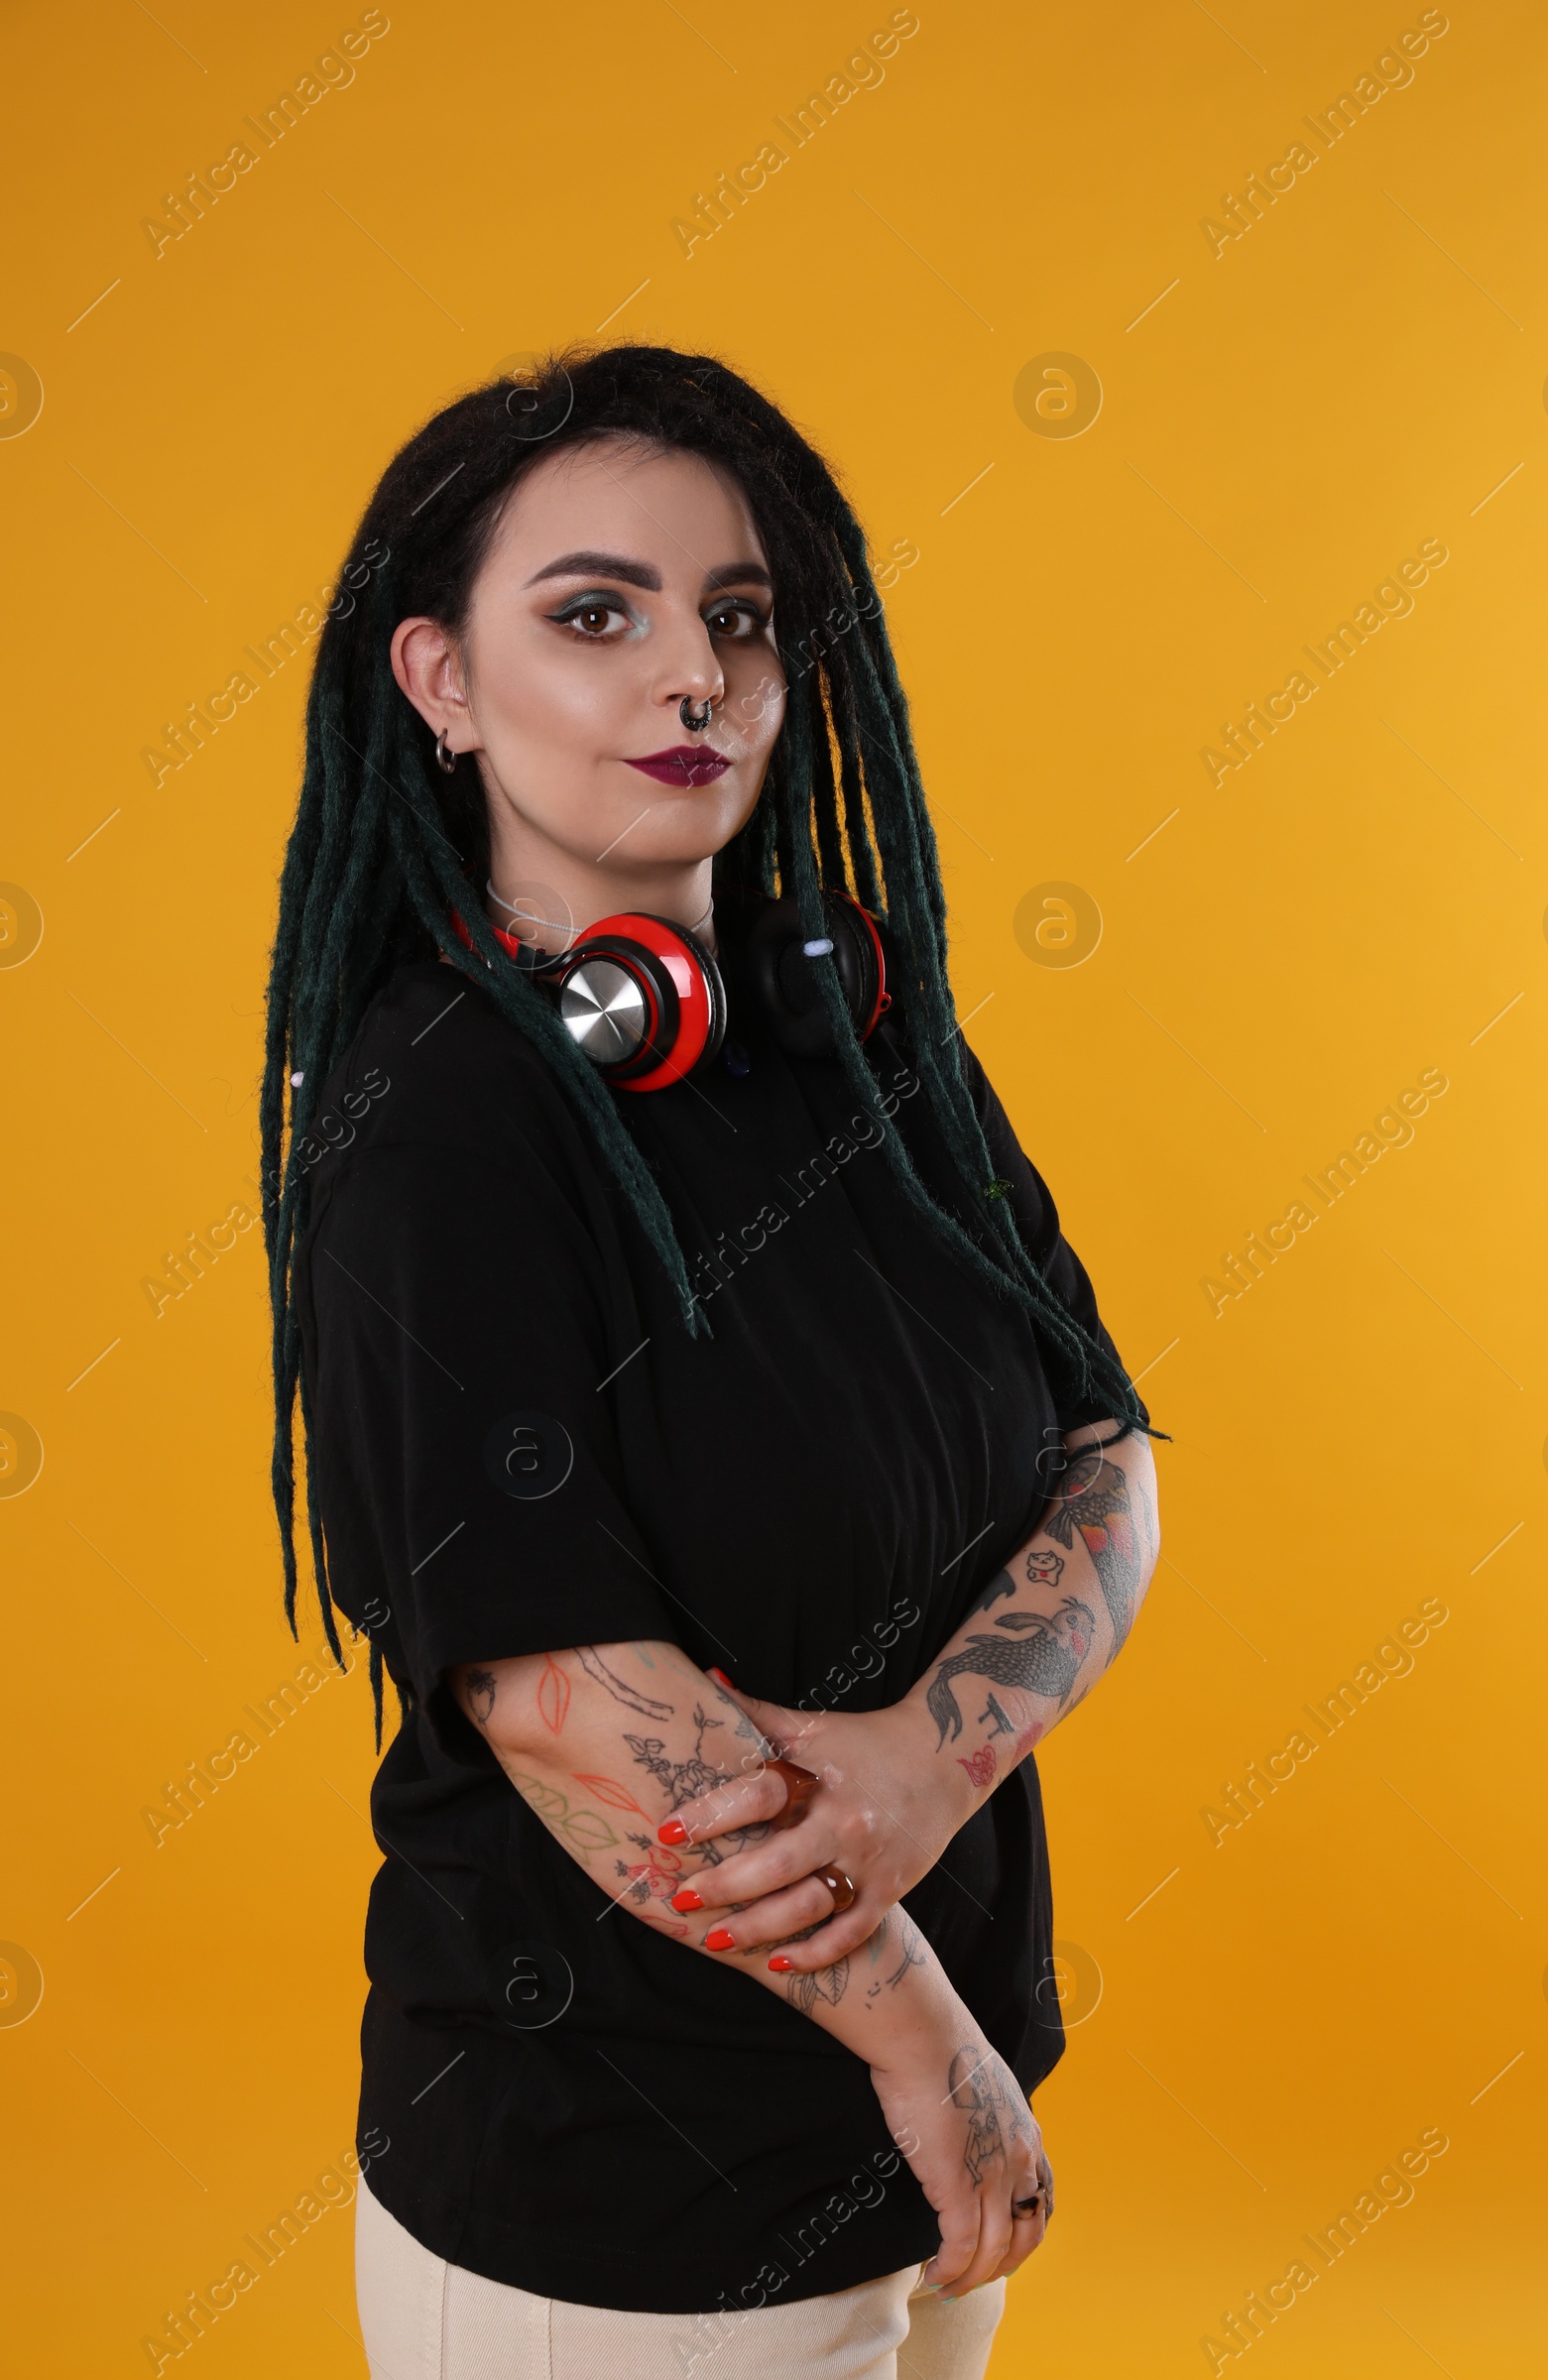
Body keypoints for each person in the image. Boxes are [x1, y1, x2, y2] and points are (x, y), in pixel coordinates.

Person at [261, 343, 1164, 2380]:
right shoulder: (439, 1129)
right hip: (623, 2219)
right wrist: (928, 2050)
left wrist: (928, 1769)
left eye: (737, 619)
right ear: (442, 685)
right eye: (595, 614)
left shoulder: (856, 1031)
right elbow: (571, 1701)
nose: (696, 679)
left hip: (930, 2160)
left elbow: (1105, 1451)